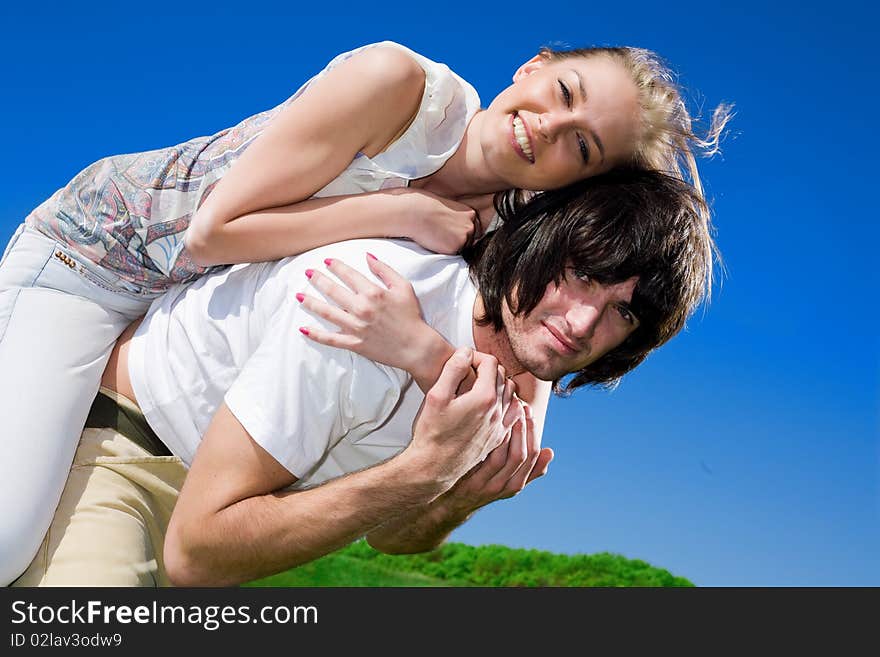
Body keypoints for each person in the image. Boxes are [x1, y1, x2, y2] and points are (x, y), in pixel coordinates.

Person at [0, 38, 730, 584]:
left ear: (586, 184)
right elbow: (212, 233)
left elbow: (510, 404)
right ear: (534, 64)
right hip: (95, 259)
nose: (547, 125)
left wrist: (431, 367)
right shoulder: (401, 89)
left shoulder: (515, 226)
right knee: (8, 533)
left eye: (582, 143)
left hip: (182, 316)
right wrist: (402, 210)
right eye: (563, 90)